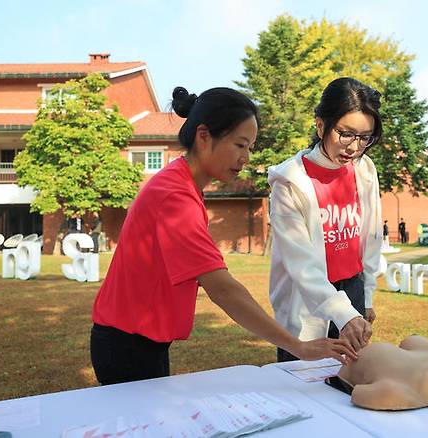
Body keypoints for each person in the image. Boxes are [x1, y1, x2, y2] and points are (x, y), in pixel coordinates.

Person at [90, 86, 356, 385]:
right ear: (204, 136)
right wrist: (297, 346)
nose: (245, 158)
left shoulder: (181, 185)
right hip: (127, 346)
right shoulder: (174, 196)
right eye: (240, 145)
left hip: (137, 342)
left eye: (251, 148)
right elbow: (223, 289)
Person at [268, 77, 383, 362]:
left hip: (351, 288)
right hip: (308, 299)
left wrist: (365, 297)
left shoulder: (364, 170)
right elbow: (301, 264)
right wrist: (342, 313)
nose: (354, 147)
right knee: (302, 386)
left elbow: (370, 237)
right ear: (321, 125)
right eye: (345, 134)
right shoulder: (290, 182)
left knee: (347, 381)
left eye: (364, 137)